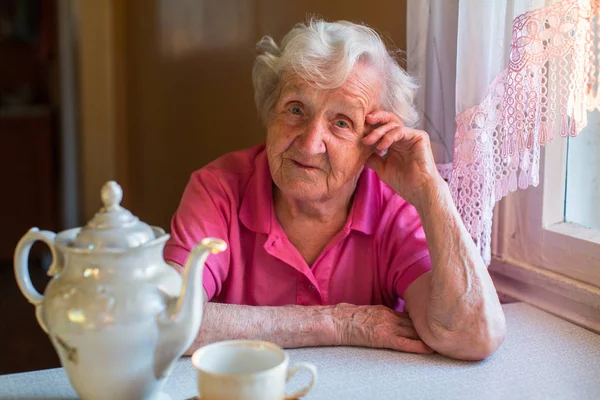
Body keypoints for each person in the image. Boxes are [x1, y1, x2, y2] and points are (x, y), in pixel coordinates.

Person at [164, 18, 506, 361]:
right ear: (271, 111)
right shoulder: (218, 190)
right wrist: (336, 323)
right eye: (296, 109)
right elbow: (163, 321)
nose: (310, 144)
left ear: (374, 141)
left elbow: (472, 335)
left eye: (341, 122)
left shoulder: (397, 207)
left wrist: (432, 191)